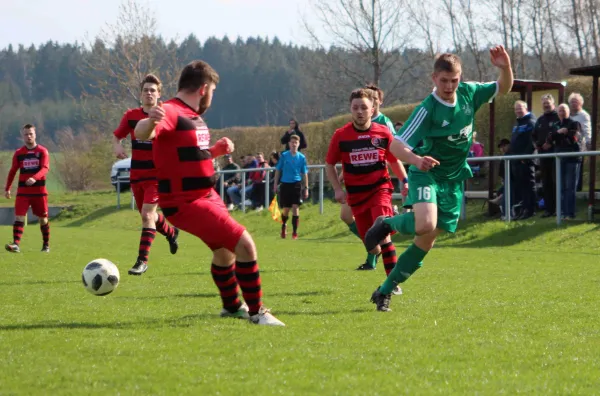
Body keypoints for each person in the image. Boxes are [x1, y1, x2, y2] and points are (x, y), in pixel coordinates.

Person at [134, 60, 284, 326]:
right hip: (186, 202)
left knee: (225, 253)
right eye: (212, 91)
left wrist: (215, 150)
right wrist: (149, 122)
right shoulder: (169, 110)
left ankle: (231, 306)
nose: (211, 97)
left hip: (207, 196)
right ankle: (257, 311)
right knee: (245, 244)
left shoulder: (193, 116)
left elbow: (186, 155)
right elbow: (143, 132)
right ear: (203, 89)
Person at [365, 45, 514, 311]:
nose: (449, 86)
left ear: (460, 77)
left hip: (453, 179)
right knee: (425, 223)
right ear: (434, 78)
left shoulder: (469, 93)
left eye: (454, 80)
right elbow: (396, 146)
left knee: (426, 241)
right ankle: (388, 224)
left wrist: (504, 67)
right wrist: (417, 160)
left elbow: (503, 88)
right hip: (426, 174)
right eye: (444, 80)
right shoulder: (428, 109)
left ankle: (384, 291)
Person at [326, 88, 408, 294]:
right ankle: (394, 223)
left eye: (364, 107)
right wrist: (337, 189)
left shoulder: (382, 133)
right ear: (350, 110)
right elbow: (329, 164)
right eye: (355, 108)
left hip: (380, 190)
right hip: (355, 196)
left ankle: (392, 282)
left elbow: (393, 160)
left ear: (373, 109)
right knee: (372, 245)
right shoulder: (341, 135)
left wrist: (405, 181)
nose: (360, 111)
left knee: (382, 233)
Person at [112, 74, 179, 276]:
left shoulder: (166, 116)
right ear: (141, 95)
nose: (149, 93)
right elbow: (117, 136)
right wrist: (117, 146)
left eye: (153, 90)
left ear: (159, 94)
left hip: (157, 176)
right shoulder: (131, 116)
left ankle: (142, 261)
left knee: (146, 215)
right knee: (148, 216)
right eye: (145, 90)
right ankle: (171, 232)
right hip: (136, 175)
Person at [4, 124, 51, 253]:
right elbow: (13, 171)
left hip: (39, 192)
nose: (29, 136)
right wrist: (7, 188)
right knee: (19, 216)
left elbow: (45, 168)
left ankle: (46, 245)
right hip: (23, 192)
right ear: (22, 136)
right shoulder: (19, 153)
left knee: (43, 219)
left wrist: (35, 178)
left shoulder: (42, 151)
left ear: (35, 135)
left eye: (31, 134)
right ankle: (16, 244)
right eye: (26, 134)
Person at [547, 104, 582, 220]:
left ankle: (569, 214)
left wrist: (566, 133)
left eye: (564, 110)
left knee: (570, 187)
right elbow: (549, 139)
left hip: (572, 159)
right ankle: (561, 212)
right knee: (560, 187)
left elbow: (574, 139)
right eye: (560, 110)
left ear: (568, 111)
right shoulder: (556, 125)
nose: (562, 112)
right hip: (559, 159)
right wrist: (559, 133)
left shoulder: (575, 124)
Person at [274, 134, 309, 239]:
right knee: (286, 209)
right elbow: (278, 170)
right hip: (285, 184)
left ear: (298, 144)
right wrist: (275, 184)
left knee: (295, 207)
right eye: (292, 142)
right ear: (289, 144)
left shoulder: (302, 157)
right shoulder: (284, 156)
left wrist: (306, 188)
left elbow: (305, 173)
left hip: (296, 184)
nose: (294, 144)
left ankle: (294, 232)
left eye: (296, 143)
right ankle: (284, 225)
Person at [532, 94, 560, 218]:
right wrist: (537, 146)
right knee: (546, 183)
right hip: (543, 156)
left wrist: (551, 143)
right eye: (544, 103)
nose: (546, 105)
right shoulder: (540, 120)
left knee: (555, 182)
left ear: (553, 103)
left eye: (548, 103)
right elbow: (533, 136)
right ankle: (548, 209)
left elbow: (560, 134)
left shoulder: (558, 117)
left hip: (555, 156)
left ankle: (558, 208)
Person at [510, 100, 537, 219]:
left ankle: (530, 209)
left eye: (520, 108)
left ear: (526, 108)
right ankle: (522, 209)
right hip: (516, 160)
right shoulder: (517, 123)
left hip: (525, 160)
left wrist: (525, 158)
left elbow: (532, 141)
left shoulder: (530, 121)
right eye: (516, 109)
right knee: (520, 186)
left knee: (528, 185)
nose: (518, 111)